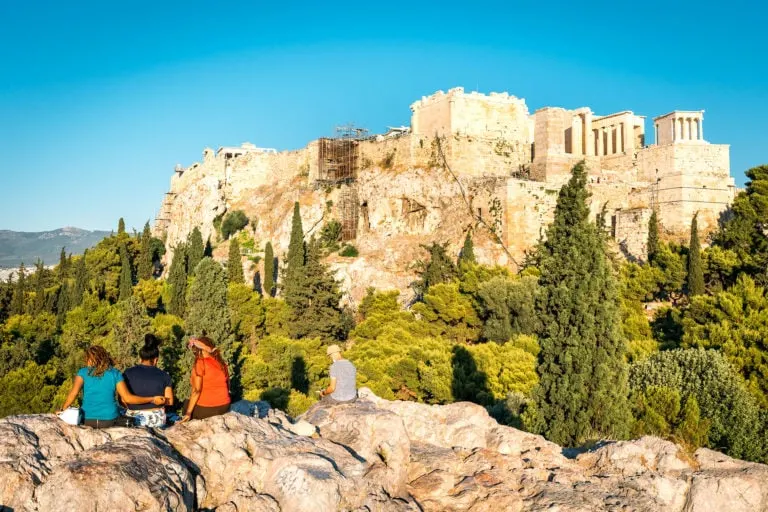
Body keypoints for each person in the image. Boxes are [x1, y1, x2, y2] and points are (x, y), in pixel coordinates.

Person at [58, 345, 166, 429]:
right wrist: (152, 398)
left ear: (89, 359)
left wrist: (63, 410)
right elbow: (128, 398)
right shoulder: (115, 373)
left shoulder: (82, 372)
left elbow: (73, 394)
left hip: (87, 419)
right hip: (109, 420)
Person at [122, 334, 174, 428]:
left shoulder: (127, 373)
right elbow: (169, 401)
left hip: (133, 418)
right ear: (156, 360)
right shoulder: (164, 375)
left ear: (140, 358)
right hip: (156, 419)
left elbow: (122, 399)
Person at [180, 336, 231, 422]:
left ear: (199, 349)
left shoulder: (200, 363)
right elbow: (228, 385)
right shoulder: (221, 362)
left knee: (186, 404)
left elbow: (197, 390)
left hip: (209, 409)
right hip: (225, 406)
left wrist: (188, 413)